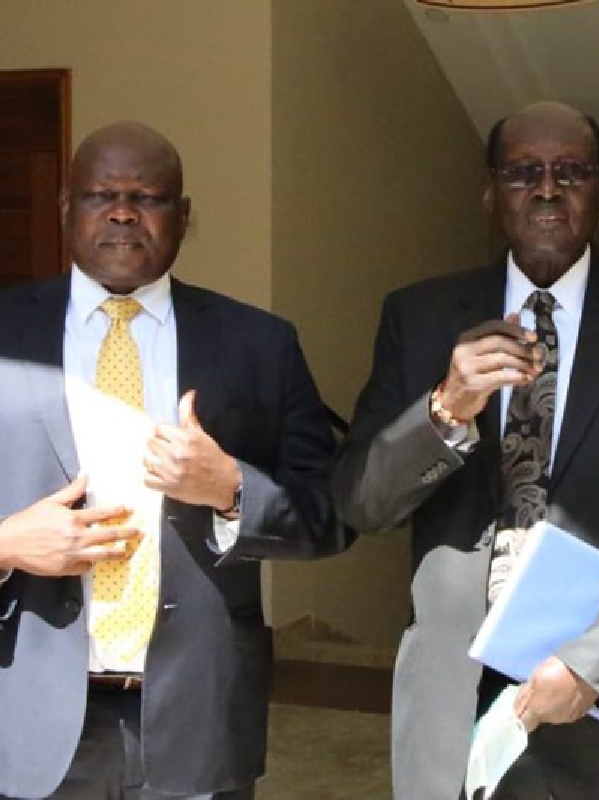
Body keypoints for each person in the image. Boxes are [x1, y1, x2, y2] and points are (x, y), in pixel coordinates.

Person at [333, 101, 599, 799]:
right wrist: (445, 409)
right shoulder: (420, 316)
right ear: (491, 193)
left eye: (571, 172)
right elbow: (361, 503)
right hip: (456, 715)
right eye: (523, 172)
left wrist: (598, 661)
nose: (547, 190)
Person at [0, 121, 349, 799]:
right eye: (101, 195)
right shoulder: (5, 333)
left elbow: (331, 515)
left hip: (198, 720)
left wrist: (232, 490)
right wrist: (9, 542)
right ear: (67, 209)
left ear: (184, 217)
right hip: (29, 720)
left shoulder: (259, 344)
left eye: (147, 197)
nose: (123, 213)